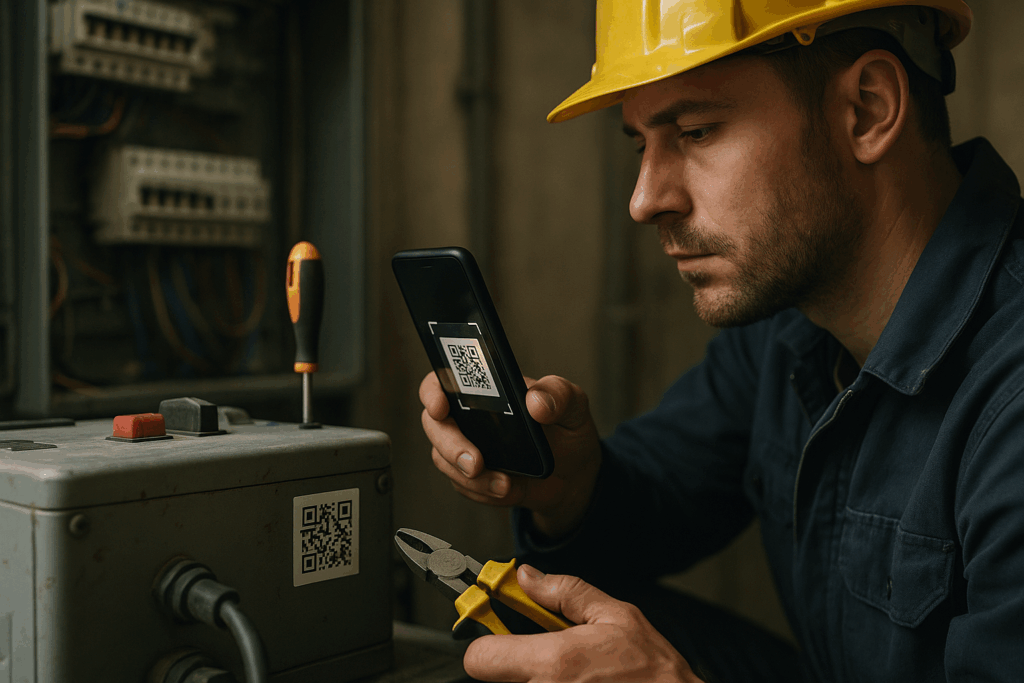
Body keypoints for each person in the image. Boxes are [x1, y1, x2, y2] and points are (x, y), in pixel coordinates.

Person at [420, 0, 1024, 680]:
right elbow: (664, 494)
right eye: (641, 143)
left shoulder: (1011, 402)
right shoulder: (791, 330)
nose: (645, 199)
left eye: (697, 131)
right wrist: (567, 487)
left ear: (868, 108)